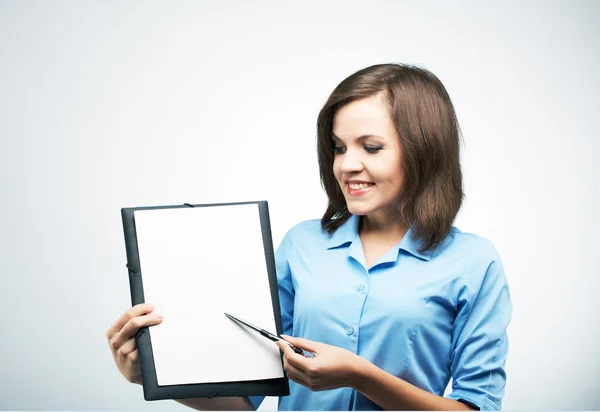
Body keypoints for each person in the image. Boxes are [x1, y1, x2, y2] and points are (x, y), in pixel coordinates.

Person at [106, 63, 512, 411]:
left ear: (425, 150)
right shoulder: (302, 245)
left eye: (371, 147)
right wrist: (152, 374)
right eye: (338, 147)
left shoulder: (473, 262)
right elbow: (243, 400)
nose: (347, 164)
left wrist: (360, 375)